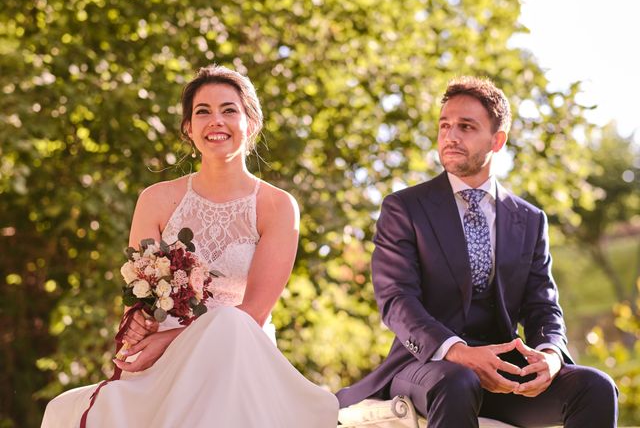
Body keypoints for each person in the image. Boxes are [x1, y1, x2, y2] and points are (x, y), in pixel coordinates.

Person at [42, 65, 338, 427]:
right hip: (165, 362)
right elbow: (139, 298)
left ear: (251, 123)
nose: (216, 121)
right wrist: (138, 324)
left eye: (229, 110)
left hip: (237, 360)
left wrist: (168, 339)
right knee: (62, 409)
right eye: (203, 112)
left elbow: (254, 313)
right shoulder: (156, 199)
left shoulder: (276, 206)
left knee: (229, 321)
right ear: (188, 128)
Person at [336, 76, 618, 427]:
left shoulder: (529, 219)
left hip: (504, 373)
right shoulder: (405, 208)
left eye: (466, 127)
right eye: (445, 126)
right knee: (458, 379)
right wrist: (458, 352)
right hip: (427, 369)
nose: (450, 136)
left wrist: (549, 356)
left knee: (595, 387)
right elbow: (396, 301)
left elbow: (542, 305)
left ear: (497, 140)